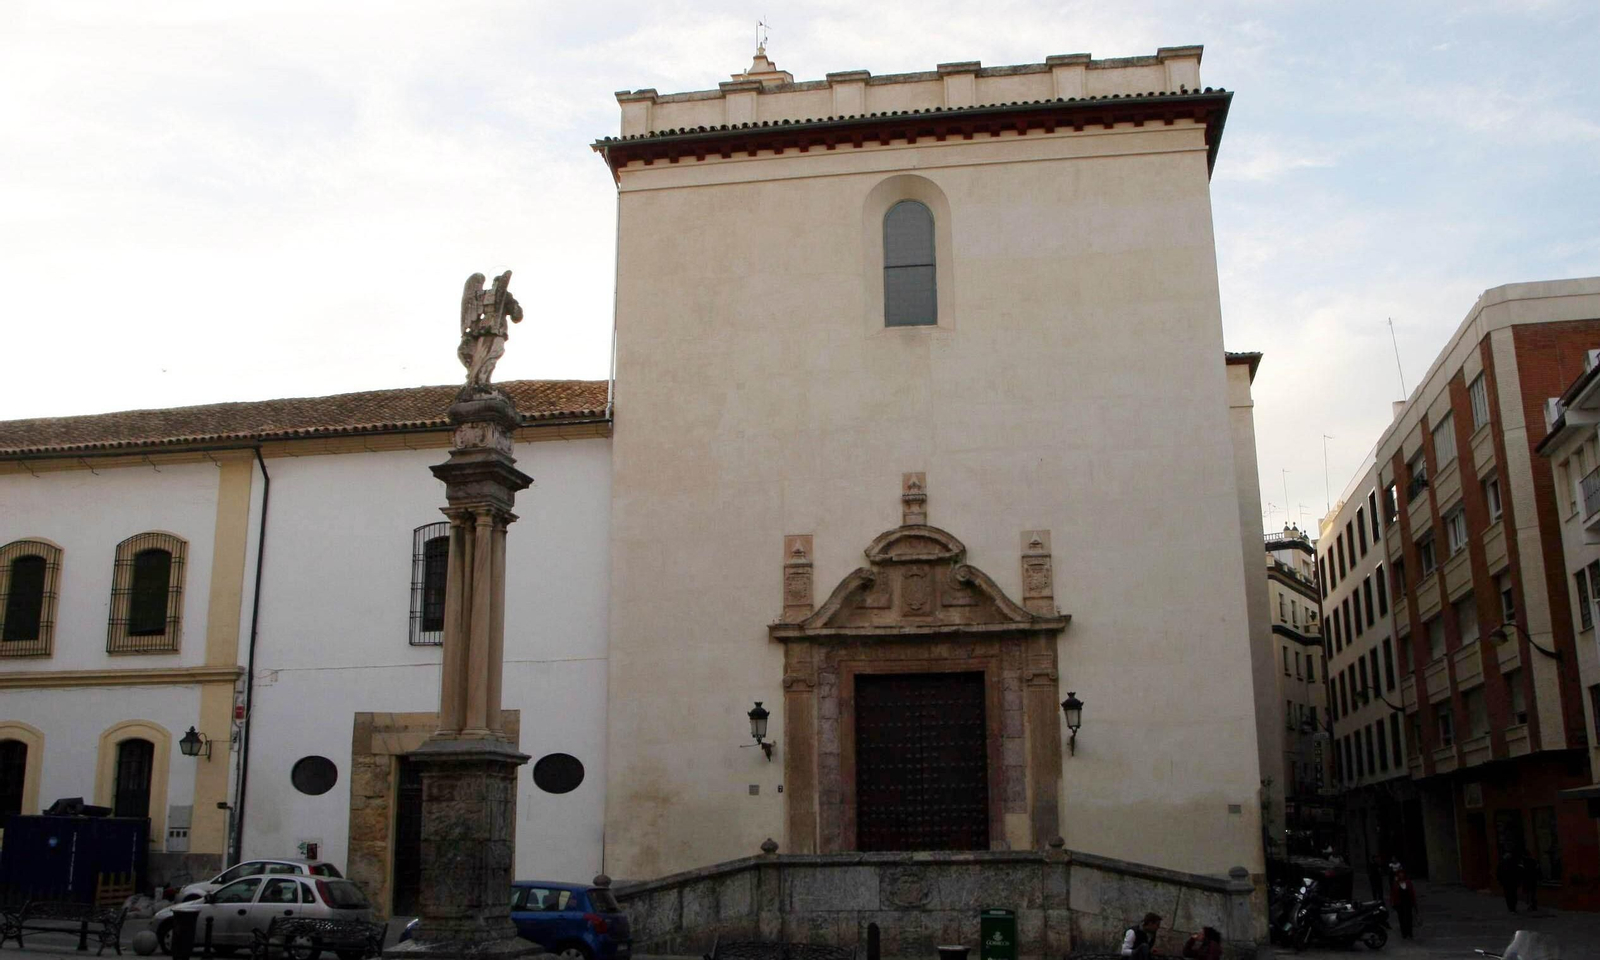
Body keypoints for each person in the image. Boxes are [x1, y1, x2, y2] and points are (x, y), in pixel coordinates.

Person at [1390, 867, 1417, 940]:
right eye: (1400, 874)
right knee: (1401, 919)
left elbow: (1412, 893)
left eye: (1402, 874)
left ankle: (1410, 932)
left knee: (1409, 918)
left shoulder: (1408, 882)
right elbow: (1393, 894)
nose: (1401, 875)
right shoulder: (1396, 884)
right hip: (1400, 903)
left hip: (1408, 903)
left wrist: (1414, 902)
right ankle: (1404, 933)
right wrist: (1393, 903)